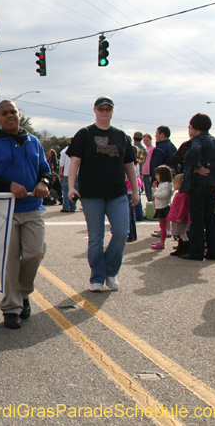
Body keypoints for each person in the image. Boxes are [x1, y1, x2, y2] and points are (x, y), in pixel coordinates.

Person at [0, 100, 51, 329]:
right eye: (4, 113)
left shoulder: (34, 141)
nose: (10, 116)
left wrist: (44, 182)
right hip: (3, 212)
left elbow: (45, 171)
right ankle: (11, 308)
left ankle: (23, 293)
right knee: (9, 261)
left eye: (13, 112)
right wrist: (8, 185)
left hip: (32, 209)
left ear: (20, 115)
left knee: (34, 253)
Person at [67, 97, 139, 292]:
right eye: (101, 109)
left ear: (113, 111)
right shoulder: (85, 134)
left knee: (121, 233)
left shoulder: (121, 136)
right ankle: (97, 276)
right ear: (95, 111)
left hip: (117, 193)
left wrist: (136, 190)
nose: (104, 112)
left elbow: (129, 165)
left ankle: (111, 272)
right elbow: (74, 162)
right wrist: (71, 187)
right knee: (96, 237)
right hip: (91, 193)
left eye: (108, 109)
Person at [180, 113, 215, 261]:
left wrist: (197, 167)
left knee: (197, 218)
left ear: (194, 127)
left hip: (198, 183)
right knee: (211, 218)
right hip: (214, 182)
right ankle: (214, 251)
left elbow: (193, 151)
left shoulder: (198, 140)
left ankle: (197, 251)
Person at [166, 174, 191, 257]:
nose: (174, 185)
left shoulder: (183, 195)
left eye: (176, 183)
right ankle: (180, 248)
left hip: (179, 217)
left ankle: (185, 248)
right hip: (176, 216)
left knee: (182, 233)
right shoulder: (179, 194)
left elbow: (183, 207)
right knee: (180, 234)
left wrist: (180, 217)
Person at [149, 165, 173, 250]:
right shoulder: (163, 184)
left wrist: (155, 193)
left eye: (157, 175)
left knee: (163, 227)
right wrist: (155, 189)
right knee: (162, 226)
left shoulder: (166, 184)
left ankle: (162, 243)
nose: (156, 176)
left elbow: (164, 195)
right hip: (160, 207)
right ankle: (161, 242)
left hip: (163, 207)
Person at [58, 138, 76, 213]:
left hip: (67, 173)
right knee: (75, 190)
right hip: (76, 173)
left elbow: (61, 163)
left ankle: (66, 206)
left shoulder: (65, 151)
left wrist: (60, 172)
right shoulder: (79, 149)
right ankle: (73, 206)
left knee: (65, 190)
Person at [141, 133, 155, 202]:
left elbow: (152, 161)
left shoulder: (152, 149)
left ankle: (151, 205)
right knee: (146, 191)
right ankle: (149, 205)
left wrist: (152, 173)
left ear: (150, 140)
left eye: (147, 140)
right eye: (144, 140)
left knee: (150, 191)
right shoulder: (146, 149)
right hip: (145, 172)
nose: (146, 142)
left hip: (149, 172)